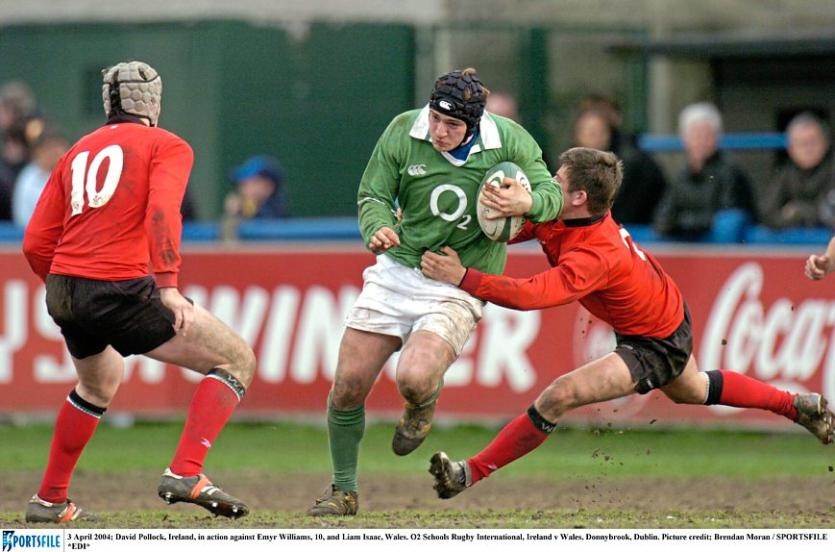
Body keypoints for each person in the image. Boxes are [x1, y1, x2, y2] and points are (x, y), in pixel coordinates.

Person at [421, 147, 834, 499]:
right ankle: (797, 406)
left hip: (654, 342)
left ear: (580, 197)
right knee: (694, 388)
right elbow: (511, 229)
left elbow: (531, 295)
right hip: (663, 311)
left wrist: (462, 276)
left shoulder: (595, 254)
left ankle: (466, 474)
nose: (548, 184)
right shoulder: (564, 212)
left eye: (557, 180)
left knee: (558, 396)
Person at [306, 68, 563, 516]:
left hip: (456, 284)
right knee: (347, 384)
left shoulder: (508, 140)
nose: (440, 132)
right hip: (397, 270)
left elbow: (551, 195)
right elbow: (373, 194)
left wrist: (528, 203)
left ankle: (421, 404)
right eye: (436, 119)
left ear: (475, 124)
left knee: (414, 377)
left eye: (453, 125)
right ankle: (343, 491)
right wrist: (377, 227)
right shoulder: (404, 130)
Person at [22, 61, 256, 523]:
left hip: (64, 287)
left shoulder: (77, 150)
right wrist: (168, 286)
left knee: (98, 382)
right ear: (153, 102)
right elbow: (163, 213)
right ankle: (186, 472)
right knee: (237, 359)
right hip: (118, 286)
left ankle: (50, 500)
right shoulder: (167, 145)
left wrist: (67, 287)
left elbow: (34, 242)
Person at [654, 102, 757, 240]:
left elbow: (728, 215)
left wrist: (683, 223)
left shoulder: (730, 171)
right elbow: (663, 218)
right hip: (689, 243)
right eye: (695, 135)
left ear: (717, 138)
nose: (700, 141)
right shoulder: (681, 176)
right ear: (684, 139)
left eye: (706, 135)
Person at [572, 106, 667, 225]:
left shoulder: (629, 163)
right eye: (590, 133)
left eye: (599, 132)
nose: (595, 137)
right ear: (578, 136)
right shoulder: (571, 165)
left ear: (608, 135)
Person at [762, 113, 835, 229]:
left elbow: (829, 215)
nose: (808, 149)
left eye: (813, 142)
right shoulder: (785, 172)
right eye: (801, 143)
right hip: (792, 237)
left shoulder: (832, 168)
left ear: (825, 143)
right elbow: (767, 213)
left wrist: (797, 210)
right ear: (791, 149)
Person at [12, 130, 68, 227]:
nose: (56, 154)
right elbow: (22, 216)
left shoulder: (71, 174)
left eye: (59, 148)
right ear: (39, 152)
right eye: (51, 149)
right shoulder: (29, 178)